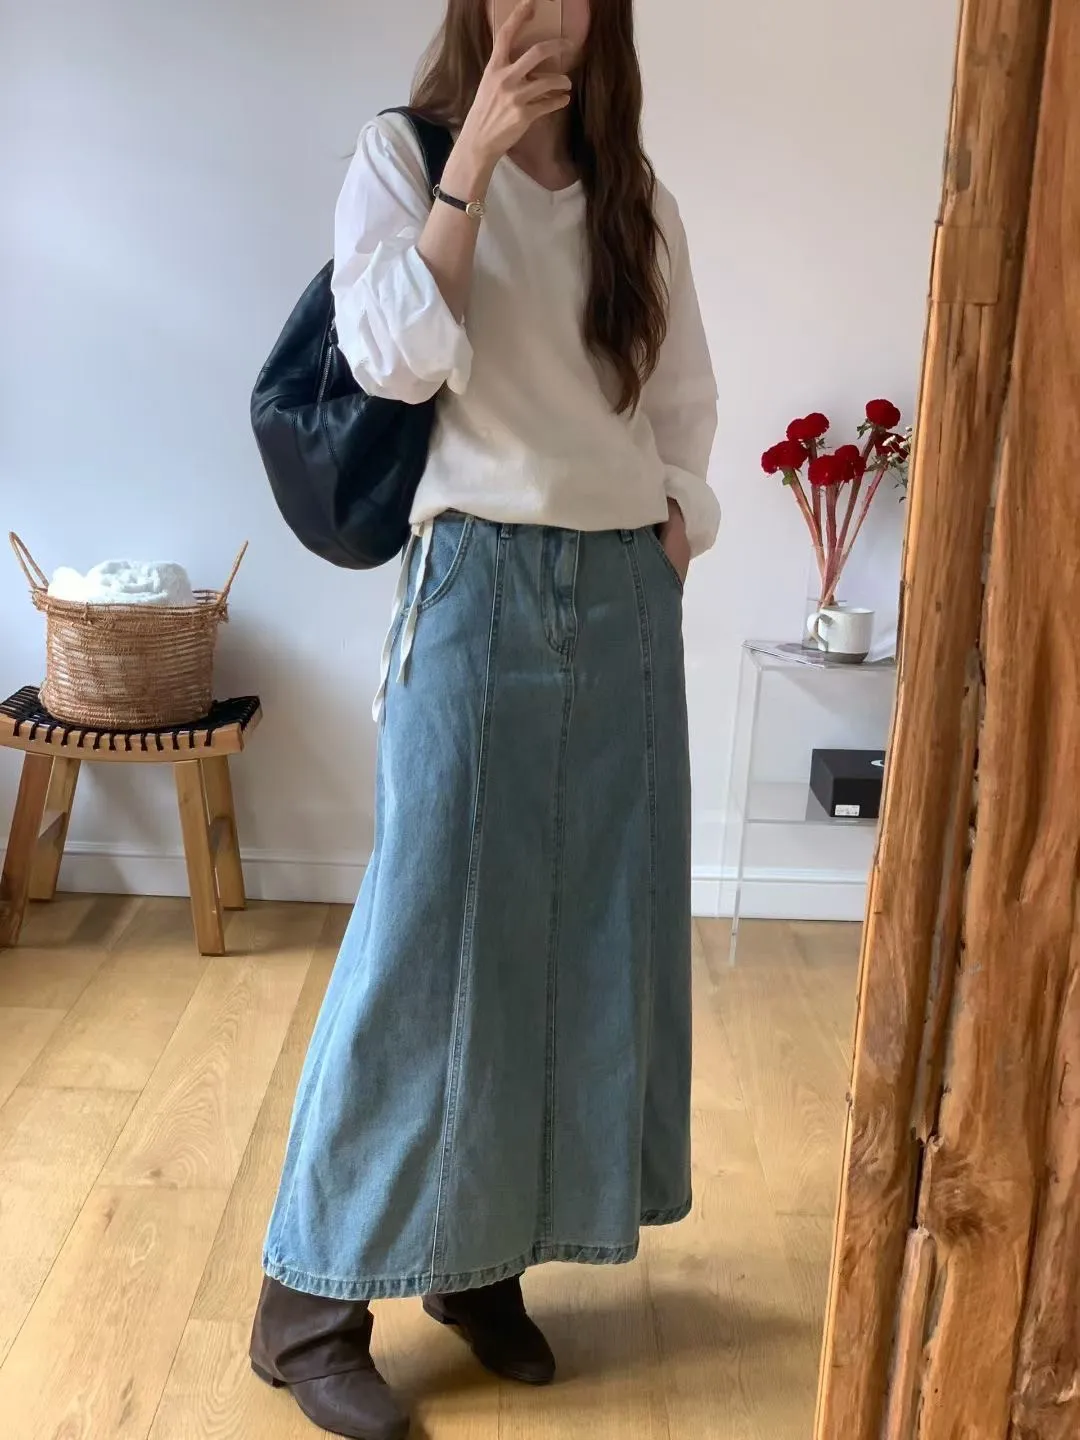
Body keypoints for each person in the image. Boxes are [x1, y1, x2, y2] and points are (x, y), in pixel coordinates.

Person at [250, 1, 719, 1435]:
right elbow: (389, 359)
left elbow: (681, 405)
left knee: (579, 934)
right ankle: (307, 1305)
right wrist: (470, 176)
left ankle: (480, 1261)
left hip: (623, 596)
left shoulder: (637, 198)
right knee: (424, 937)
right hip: (477, 582)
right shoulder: (402, 157)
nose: (546, 10)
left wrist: (674, 532)